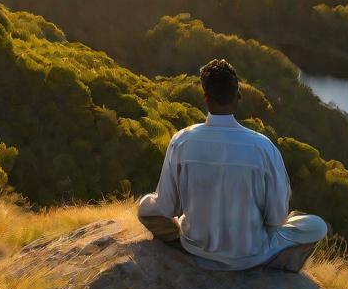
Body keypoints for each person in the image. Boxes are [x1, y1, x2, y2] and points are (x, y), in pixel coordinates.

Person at [138, 58, 330, 272]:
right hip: (251, 254)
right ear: (238, 96)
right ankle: (276, 259)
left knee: (145, 206)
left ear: (206, 98)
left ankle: (187, 246)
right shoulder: (263, 147)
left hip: (196, 248)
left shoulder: (182, 141)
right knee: (316, 225)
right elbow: (276, 219)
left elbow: (167, 207)